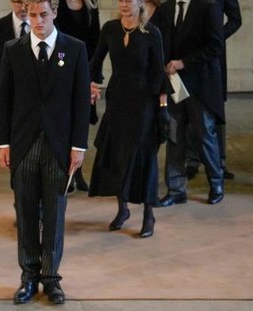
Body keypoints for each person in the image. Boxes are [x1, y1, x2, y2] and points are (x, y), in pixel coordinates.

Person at [0, 0, 91, 305]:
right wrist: (4, 143)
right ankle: (28, 277)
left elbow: (79, 101)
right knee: (24, 213)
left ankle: (51, 279)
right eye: (32, 15)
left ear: (55, 14)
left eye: (43, 15)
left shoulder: (74, 49)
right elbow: (3, 100)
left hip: (59, 146)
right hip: (23, 146)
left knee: (54, 213)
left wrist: (79, 145)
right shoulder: (13, 50)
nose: (37, 20)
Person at [88, 0, 168, 238]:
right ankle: (122, 209)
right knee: (117, 155)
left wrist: (162, 108)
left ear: (139, 2)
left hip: (144, 104)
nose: (124, 4)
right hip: (117, 102)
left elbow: (158, 73)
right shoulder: (110, 29)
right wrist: (90, 82)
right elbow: (95, 61)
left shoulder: (151, 32)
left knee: (143, 158)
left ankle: (148, 215)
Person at [157, 0, 226, 207]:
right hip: (175, 84)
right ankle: (176, 189)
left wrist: (184, 62)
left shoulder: (208, 6)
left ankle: (216, 183)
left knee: (204, 134)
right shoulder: (166, 8)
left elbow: (215, 45)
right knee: (175, 134)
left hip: (201, 84)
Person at [183, 0, 241, 182]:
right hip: (186, 55)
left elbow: (235, 19)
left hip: (212, 57)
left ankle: (219, 162)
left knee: (214, 109)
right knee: (187, 107)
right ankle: (192, 160)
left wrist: (215, 35)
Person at [54, 0, 101, 192]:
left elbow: (97, 41)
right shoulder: (58, 5)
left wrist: (92, 76)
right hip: (63, 68)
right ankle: (68, 173)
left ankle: (78, 172)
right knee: (65, 123)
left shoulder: (91, 6)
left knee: (81, 122)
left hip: (85, 71)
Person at [0, 0, 31, 153]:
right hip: (7, 94)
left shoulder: (46, 27)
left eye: (26, 3)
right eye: (18, 2)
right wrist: (5, 85)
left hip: (36, 95)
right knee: (9, 145)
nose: (23, 8)